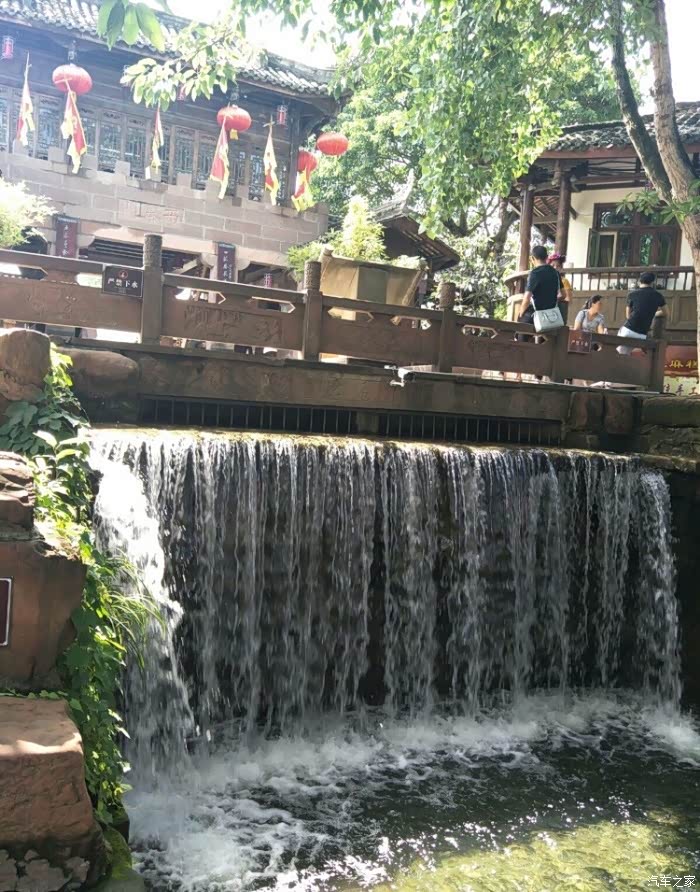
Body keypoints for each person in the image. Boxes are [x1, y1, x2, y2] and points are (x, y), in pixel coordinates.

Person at [617, 271, 667, 355]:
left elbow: (628, 316)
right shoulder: (658, 296)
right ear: (652, 283)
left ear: (639, 281)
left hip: (628, 330)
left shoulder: (632, 294)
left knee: (620, 355)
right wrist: (654, 313)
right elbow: (666, 312)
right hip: (642, 334)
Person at [518, 244, 561, 325]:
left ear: (532, 258)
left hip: (537, 314)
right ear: (547, 257)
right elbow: (564, 294)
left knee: (520, 323)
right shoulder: (556, 273)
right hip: (552, 315)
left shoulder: (534, 273)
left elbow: (527, 298)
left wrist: (521, 314)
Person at [548, 252, 573, 325]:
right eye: (553, 265)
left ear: (561, 267)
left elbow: (568, 299)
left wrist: (556, 299)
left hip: (559, 311)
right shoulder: (546, 280)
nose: (555, 267)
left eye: (558, 266)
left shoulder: (564, 281)